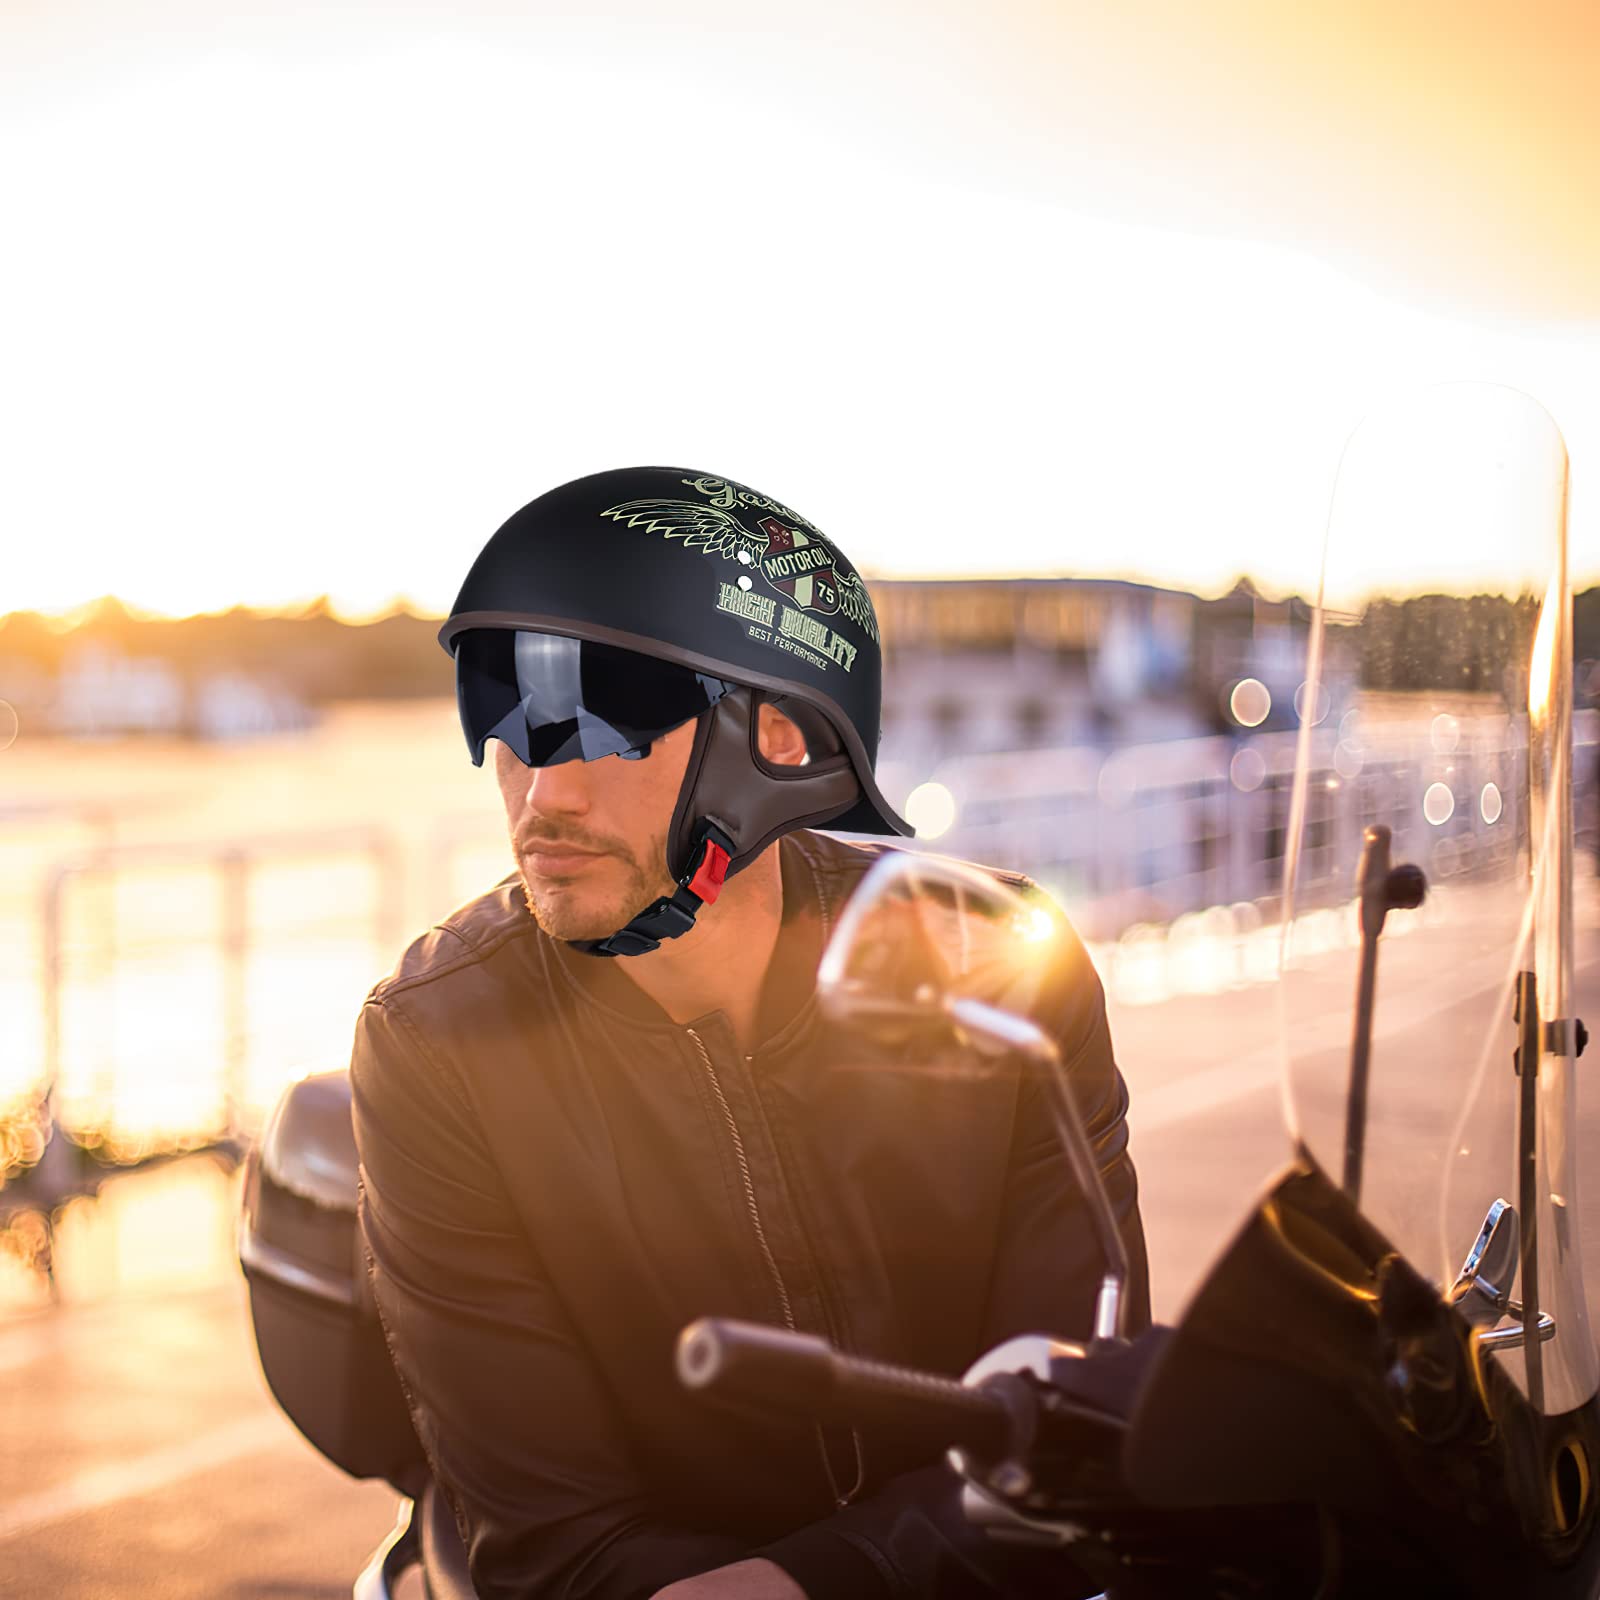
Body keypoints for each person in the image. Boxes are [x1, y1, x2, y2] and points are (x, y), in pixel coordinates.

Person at [350, 467, 1151, 1600]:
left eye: (603, 724)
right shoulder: (439, 1044)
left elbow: (1072, 1423)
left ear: (776, 737)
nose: (543, 795)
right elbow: (556, 1549)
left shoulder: (999, 965)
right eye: (512, 723)